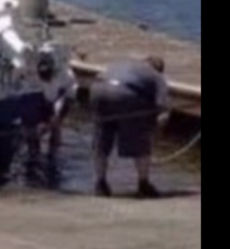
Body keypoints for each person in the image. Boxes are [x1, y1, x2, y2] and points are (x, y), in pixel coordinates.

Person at [89, 55, 170, 197]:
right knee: (141, 139)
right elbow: (163, 112)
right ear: (159, 69)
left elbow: (99, 76)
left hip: (97, 90)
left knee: (102, 140)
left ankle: (100, 183)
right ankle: (143, 183)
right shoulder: (157, 77)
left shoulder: (122, 64)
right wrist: (154, 135)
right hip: (126, 95)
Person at [30, 46, 77, 157]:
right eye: (42, 75)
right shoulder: (30, 75)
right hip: (38, 98)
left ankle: (54, 153)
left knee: (56, 127)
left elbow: (68, 99)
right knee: (32, 132)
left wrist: (58, 118)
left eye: (47, 75)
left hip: (57, 99)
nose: (45, 77)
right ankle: (33, 152)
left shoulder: (66, 76)